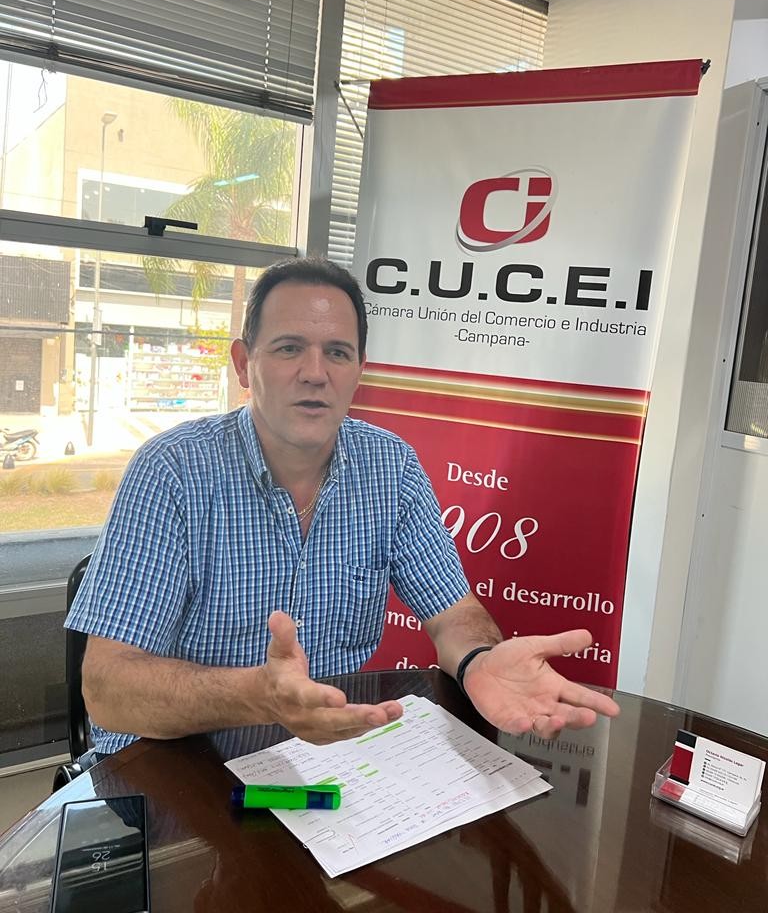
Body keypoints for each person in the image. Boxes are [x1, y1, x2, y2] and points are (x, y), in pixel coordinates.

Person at [66, 257, 619, 755]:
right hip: (173, 765)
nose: (315, 372)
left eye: (337, 352)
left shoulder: (390, 467)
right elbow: (109, 690)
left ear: (359, 370)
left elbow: (454, 615)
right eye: (289, 348)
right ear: (243, 363)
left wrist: (479, 660)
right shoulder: (172, 471)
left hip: (324, 760)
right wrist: (258, 697)